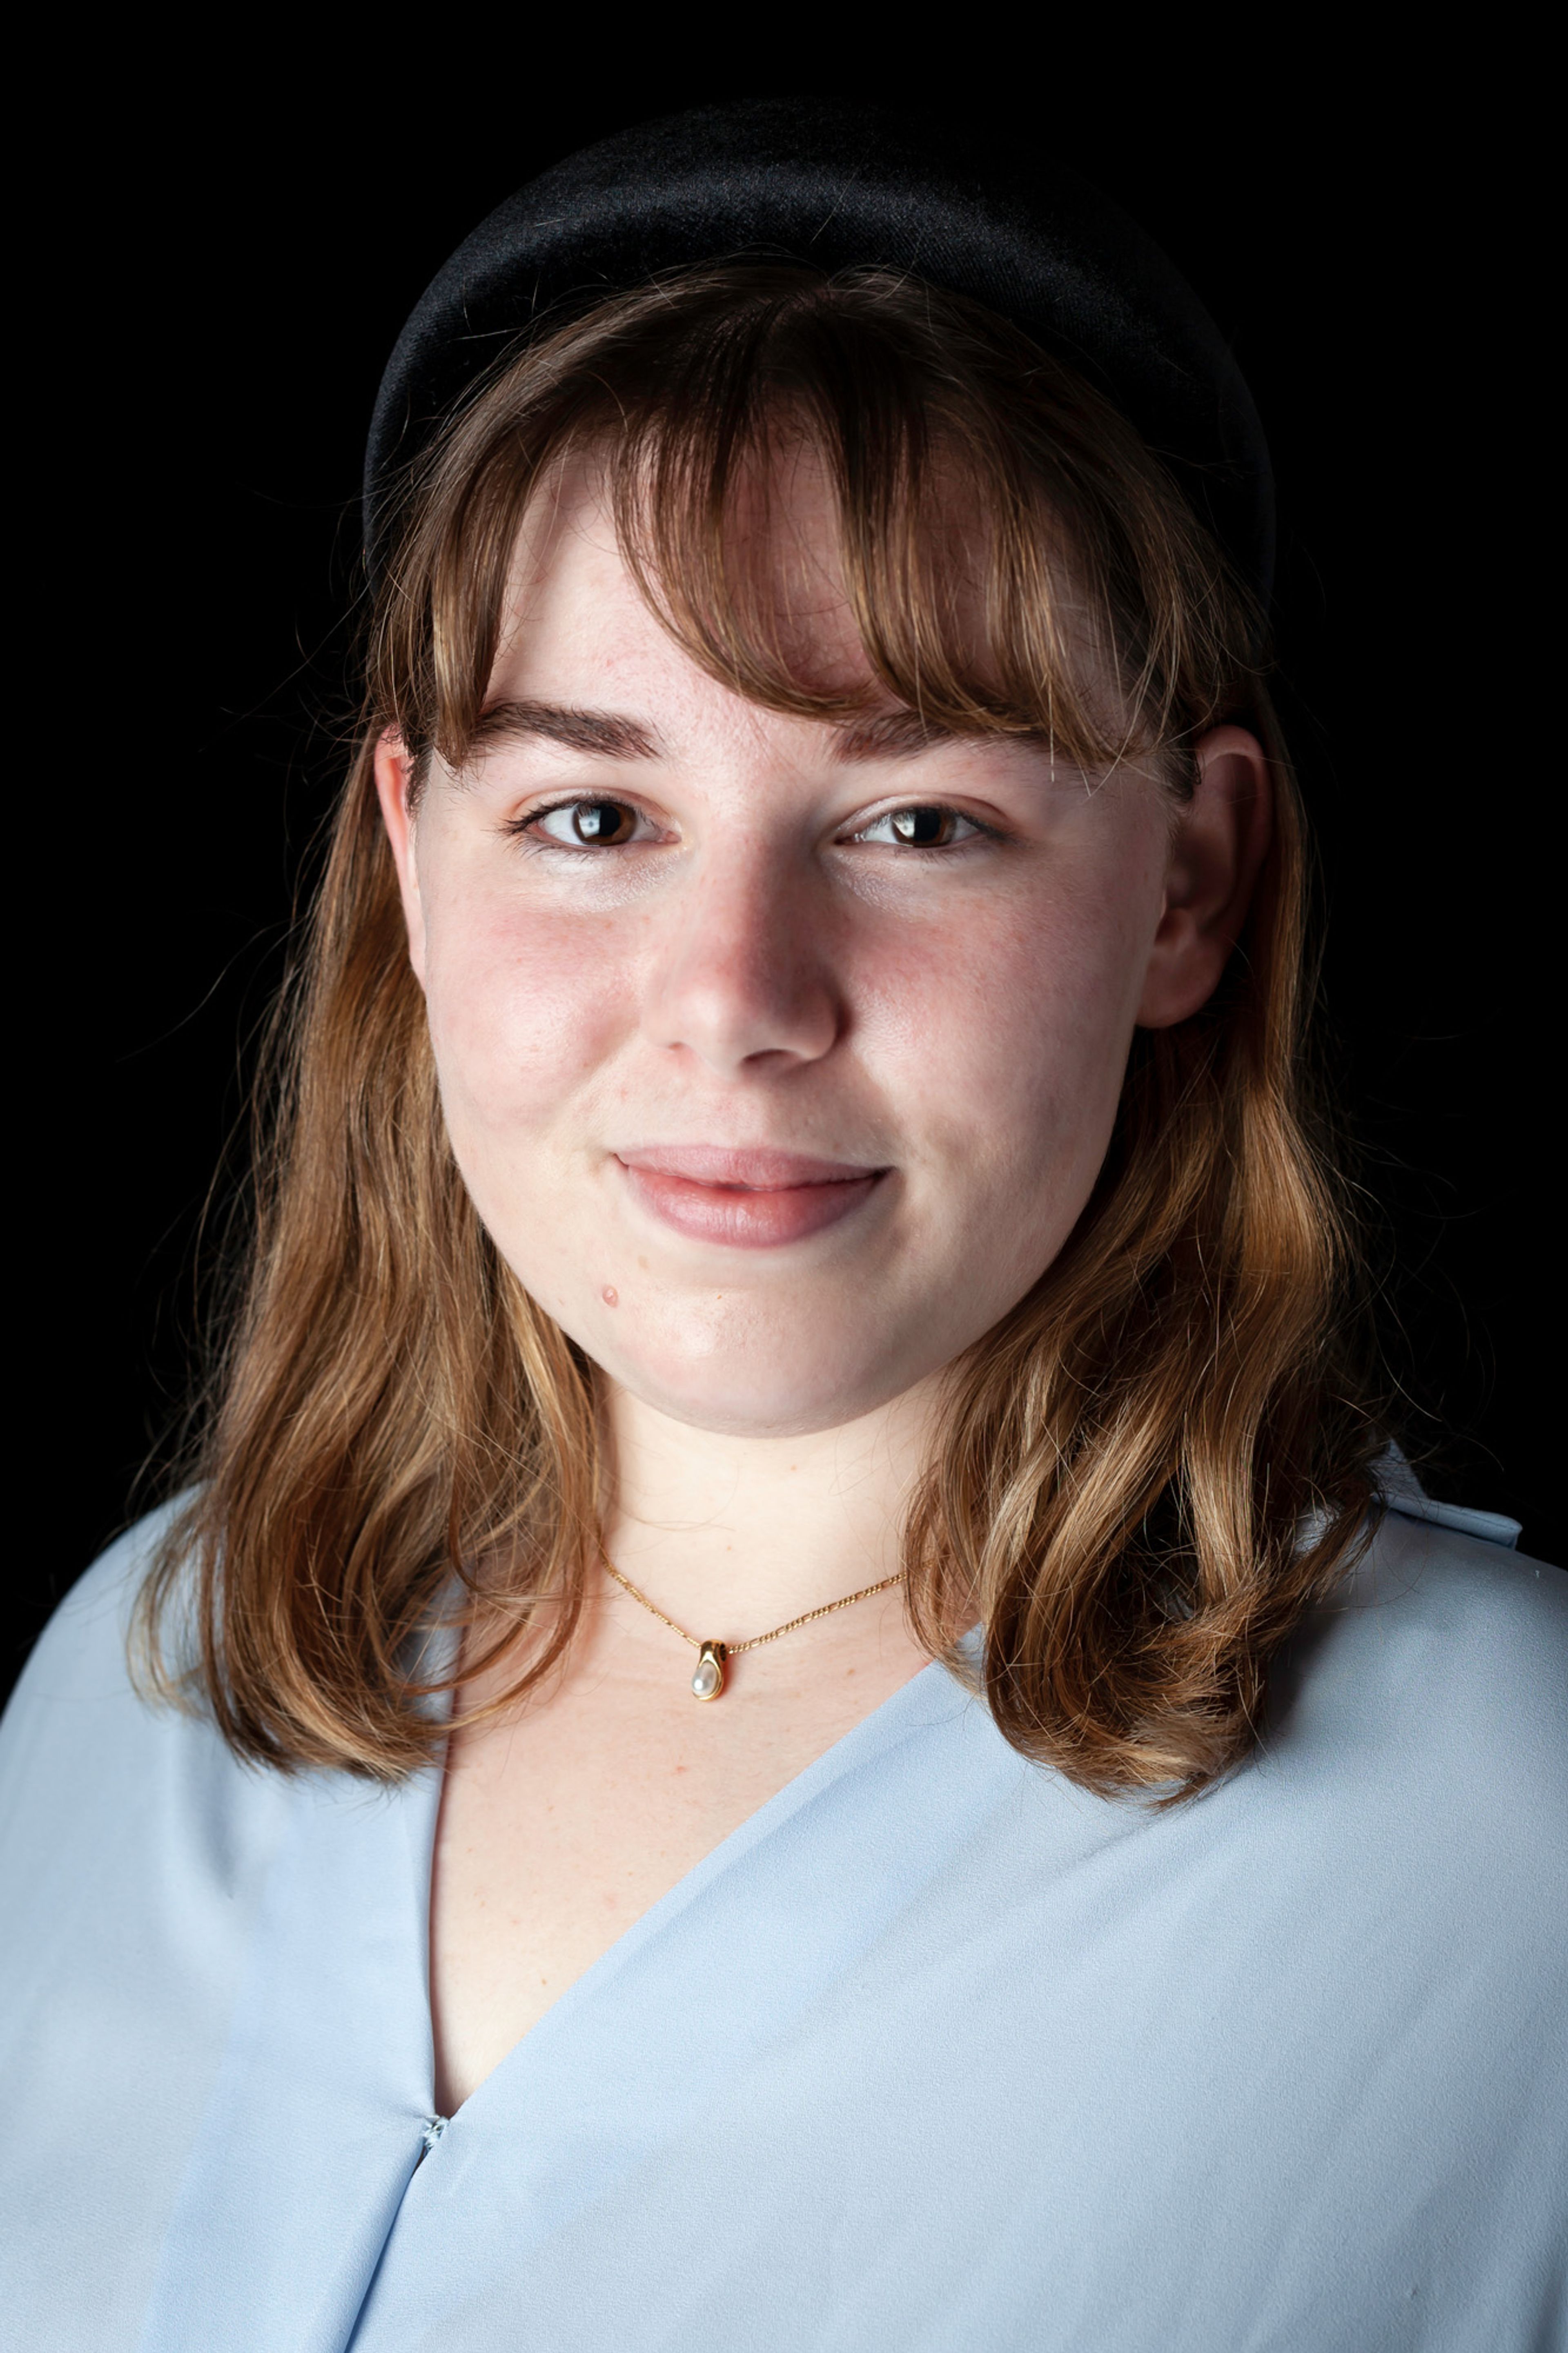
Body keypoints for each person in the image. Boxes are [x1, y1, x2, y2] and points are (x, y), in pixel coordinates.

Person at [2, 101, 1563, 2353]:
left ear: (1190, 884)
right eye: (595, 810)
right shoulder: (132, 1684)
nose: (736, 995)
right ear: (411, 860)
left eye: (922, 817)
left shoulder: (1520, 1851)